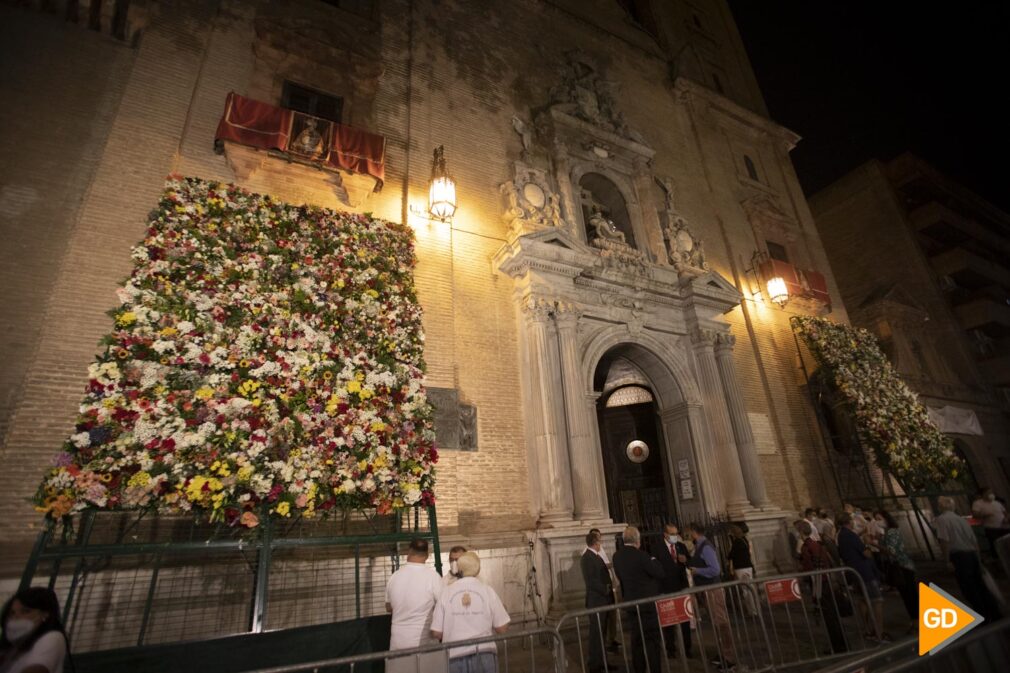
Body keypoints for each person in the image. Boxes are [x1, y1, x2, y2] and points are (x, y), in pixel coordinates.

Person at [431, 551, 510, 673]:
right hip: (485, 653)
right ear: (478, 570)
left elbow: (436, 633)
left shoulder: (446, 592)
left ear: (459, 569)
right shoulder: (487, 591)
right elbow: (502, 628)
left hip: (454, 656)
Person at [933, 496, 1003, 623]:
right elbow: (974, 541)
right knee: (980, 585)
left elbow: (944, 541)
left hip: (959, 556)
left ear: (940, 507)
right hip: (971, 554)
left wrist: (947, 560)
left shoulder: (942, 520)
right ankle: (994, 612)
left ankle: (983, 616)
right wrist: (978, 557)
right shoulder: (961, 520)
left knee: (969, 588)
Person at [681, 523, 736, 671]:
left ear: (694, 532)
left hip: (713, 589)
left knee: (721, 623)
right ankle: (722, 653)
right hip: (706, 589)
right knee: (716, 623)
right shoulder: (699, 546)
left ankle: (729, 658)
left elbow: (715, 569)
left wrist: (697, 571)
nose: (686, 535)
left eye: (688, 532)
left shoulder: (705, 546)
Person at [385, 538, 444, 673]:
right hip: (424, 643)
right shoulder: (433, 577)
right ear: (427, 555)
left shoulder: (394, 577)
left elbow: (388, 607)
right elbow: (443, 605)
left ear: (409, 552)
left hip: (398, 641)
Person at [612, 526, 664, 673]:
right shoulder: (642, 556)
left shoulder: (617, 556)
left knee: (637, 640)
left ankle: (639, 669)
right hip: (646, 604)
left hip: (631, 603)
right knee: (652, 641)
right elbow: (659, 572)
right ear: (637, 540)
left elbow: (620, 577)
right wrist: (654, 559)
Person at [797, 521, 847, 654]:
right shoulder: (817, 544)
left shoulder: (806, 547)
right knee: (833, 615)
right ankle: (842, 644)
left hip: (819, 583)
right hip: (826, 580)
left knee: (828, 616)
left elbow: (808, 567)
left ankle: (837, 647)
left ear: (801, 533)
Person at [836, 512, 886, 642]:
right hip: (864, 571)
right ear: (849, 522)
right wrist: (867, 544)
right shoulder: (851, 535)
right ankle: (879, 633)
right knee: (877, 601)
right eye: (852, 521)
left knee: (863, 600)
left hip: (853, 571)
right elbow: (866, 553)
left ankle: (867, 629)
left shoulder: (840, 535)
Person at [0, 587, 68, 673]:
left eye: (25, 611)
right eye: (12, 613)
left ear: (45, 615)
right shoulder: (15, 644)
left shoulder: (52, 637)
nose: (16, 618)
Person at [655, 523, 693, 658]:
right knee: (669, 621)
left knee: (685, 621)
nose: (675, 536)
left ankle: (687, 648)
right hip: (666, 588)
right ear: (665, 534)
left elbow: (690, 562)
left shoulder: (681, 546)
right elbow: (655, 567)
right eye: (672, 534)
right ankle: (671, 648)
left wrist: (686, 560)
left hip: (681, 587)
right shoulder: (657, 548)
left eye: (676, 534)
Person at [580, 531, 614, 673]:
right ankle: (594, 665)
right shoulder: (587, 558)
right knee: (596, 634)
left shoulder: (596, 556)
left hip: (603, 600)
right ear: (595, 542)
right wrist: (605, 588)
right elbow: (591, 581)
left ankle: (603, 662)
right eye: (600, 541)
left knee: (602, 634)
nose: (601, 544)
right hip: (596, 601)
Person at [875, 510, 917, 626]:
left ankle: (917, 619)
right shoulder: (887, 532)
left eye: (879, 519)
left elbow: (891, 551)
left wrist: (874, 544)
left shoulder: (891, 532)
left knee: (910, 594)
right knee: (907, 594)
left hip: (902, 565)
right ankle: (915, 618)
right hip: (900, 565)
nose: (877, 522)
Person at [588, 528, 620, 654]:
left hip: (608, 586)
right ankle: (605, 644)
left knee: (612, 615)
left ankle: (611, 639)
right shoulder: (589, 555)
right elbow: (594, 574)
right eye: (597, 538)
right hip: (601, 592)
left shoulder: (600, 550)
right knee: (604, 619)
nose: (600, 541)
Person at [971, 487, 1010, 564]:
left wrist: (1006, 518)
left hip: (1004, 527)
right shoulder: (978, 503)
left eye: (991, 492)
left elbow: (1005, 513)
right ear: (983, 494)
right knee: (996, 546)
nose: (991, 494)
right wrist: (984, 514)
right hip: (992, 529)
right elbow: (975, 515)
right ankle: (999, 561)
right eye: (988, 493)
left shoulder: (997, 503)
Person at [727, 524, 758, 618]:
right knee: (750, 588)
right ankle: (754, 609)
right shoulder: (744, 540)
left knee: (745, 590)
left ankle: (752, 611)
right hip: (747, 566)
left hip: (741, 568)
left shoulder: (737, 542)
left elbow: (730, 555)